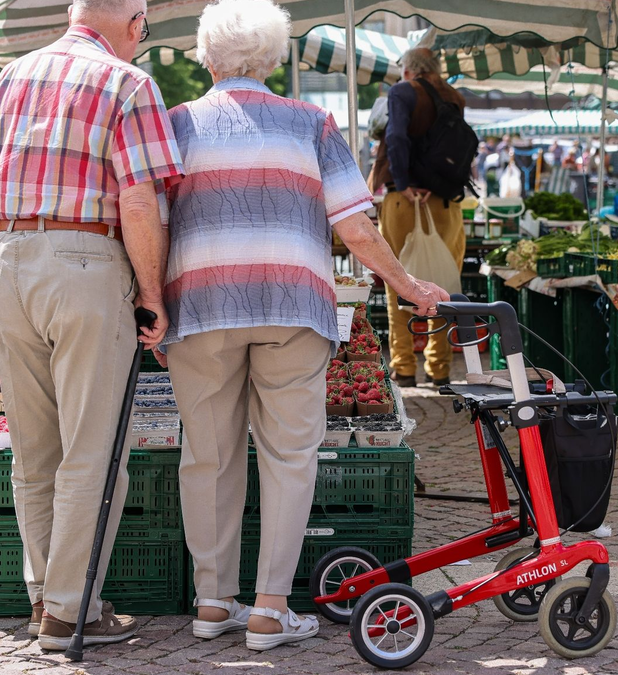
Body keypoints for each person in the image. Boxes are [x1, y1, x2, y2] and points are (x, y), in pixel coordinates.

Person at [161, 0, 449, 650]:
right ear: (273, 58)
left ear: (207, 57)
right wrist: (409, 286)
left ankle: (213, 602)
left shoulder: (176, 125)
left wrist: (151, 303)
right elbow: (355, 228)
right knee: (290, 456)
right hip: (294, 306)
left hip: (201, 306)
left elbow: (149, 222)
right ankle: (267, 610)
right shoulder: (312, 124)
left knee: (207, 456)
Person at [0, 0, 184, 650]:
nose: (142, 35)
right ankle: (68, 609)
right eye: (142, 23)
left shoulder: (12, 75)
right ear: (130, 21)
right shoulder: (127, 82)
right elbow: (139, 199)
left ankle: (46, 598)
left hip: (8, 257)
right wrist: (150, 293)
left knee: (34, 451)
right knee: (94, 450)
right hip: (84, 259)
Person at [367, 46, 467, 387]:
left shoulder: (402, 92)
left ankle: (404, 368)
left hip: (402, 201)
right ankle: (439, 371)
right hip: (445, 204)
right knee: (443, 286)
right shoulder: (453, 96)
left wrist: (406, 182)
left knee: (398, 282)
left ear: (407, 70)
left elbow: (395, 138)